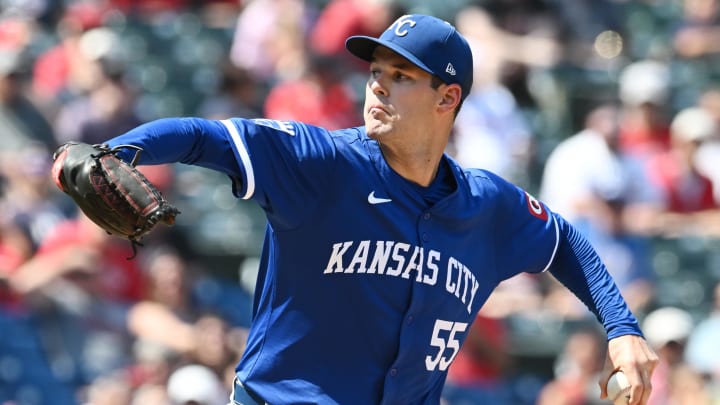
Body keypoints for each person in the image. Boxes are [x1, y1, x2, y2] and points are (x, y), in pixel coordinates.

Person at [69, 14, 658, 405]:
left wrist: (622, 328)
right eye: (376, 72)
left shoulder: (488, 204)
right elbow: (203, 136)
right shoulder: (320, 162)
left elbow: (563, 240)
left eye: (400, 76)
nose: (377, 86)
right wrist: (115, 153)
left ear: (447, 98)